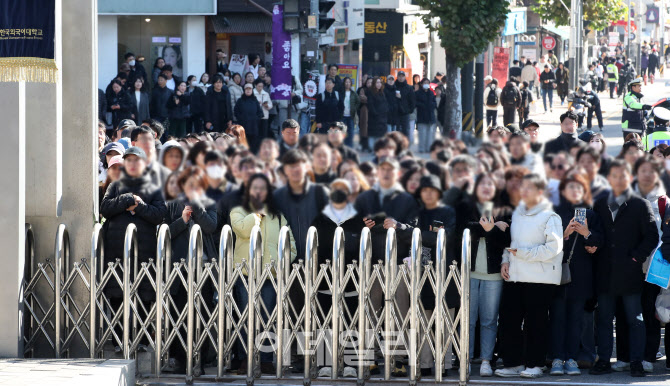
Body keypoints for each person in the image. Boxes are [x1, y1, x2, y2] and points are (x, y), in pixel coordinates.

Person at [589, 159, 659, 378]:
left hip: (629, 273)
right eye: (614, 176)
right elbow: (598, 232)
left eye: (622, 176)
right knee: (604, 320)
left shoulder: (640, 204)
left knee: (635, 319)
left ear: (630, 178)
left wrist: (636, 259)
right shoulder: (600, 203)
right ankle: (603, 361)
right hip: (605, 272)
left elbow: (651, 236)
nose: (618, 180)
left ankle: (636, 361)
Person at [495, 174, 564, 379]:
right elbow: (512, 242)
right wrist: (505, 260)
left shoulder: (551, 216)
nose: (524, 192)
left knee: (536, 322)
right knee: (510, 320)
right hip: (515, 275)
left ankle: (536, 364)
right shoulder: (517, 213)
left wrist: (523, 254)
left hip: (540, 279)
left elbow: (554, 248)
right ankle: (513, 363)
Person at [230, 173, 296, 374]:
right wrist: (256, 215)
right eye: (255, 188)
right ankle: (245, 359)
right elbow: (241, 230)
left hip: (271, 274)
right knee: (245, 317)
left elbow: (290, 244)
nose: (259, 192)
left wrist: (282, 262)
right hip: (245, 273)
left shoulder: (278, 216)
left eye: (263, 188)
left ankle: (266, 359)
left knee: (268, 318)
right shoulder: (238, 210)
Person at [613, 155, 670, 373]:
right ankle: (626, 356)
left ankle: (648, 355)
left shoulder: (664, 201)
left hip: (655, 268)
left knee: (651, 310)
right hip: (631, 266)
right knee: (626, 311)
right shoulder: (627, 198)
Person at [100, 146, 167, 323]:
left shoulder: (153, 186)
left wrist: (140, 206)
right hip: (117, 252)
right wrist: (126, 199)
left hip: (144, 253)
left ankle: (142, 340)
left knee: (144, 297)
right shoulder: (116, 185)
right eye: (128, 160)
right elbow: (105, 209)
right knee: (117, 296)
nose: (132, 163)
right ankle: (118, 341)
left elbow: (160, 214)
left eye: (136, 160)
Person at [455, 172, 512, 377]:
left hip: (493, 274)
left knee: (489, 319)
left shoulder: (503, 209)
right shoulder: (464, 206)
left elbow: (506, 238)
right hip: (468, 272)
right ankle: (466, 359)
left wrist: (493, 229)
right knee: (468, 319)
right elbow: (461, 231)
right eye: (482, 184)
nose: (486, 187)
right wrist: (488, 227)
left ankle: (486, 360)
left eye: (490, 184)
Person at [549, 174, 603, 376]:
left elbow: (599, 242)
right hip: (558, 274)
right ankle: (556, 357)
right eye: (570, 187)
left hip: (581, 276)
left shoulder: (591, 214)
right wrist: (564, 235)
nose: (574, 191)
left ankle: (571, 358)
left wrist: (587, 234)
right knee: (557, 317)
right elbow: (546, 242)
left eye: (579, 188)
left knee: (576, 319)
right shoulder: (554, 213)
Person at [415, 78, 438, 153]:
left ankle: (429, 148)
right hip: (422, 116)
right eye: (425, 83)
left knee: (430, 134)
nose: (426, 84)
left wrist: (432, 105)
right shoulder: (418, 93)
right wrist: (423, 105)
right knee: (422, 134)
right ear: (421, 84)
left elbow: (434, 103)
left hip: (430, 116)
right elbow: (416, 103)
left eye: (428, 83)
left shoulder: (431, 93)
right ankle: (421, 148)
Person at [367, 77, 389, 145]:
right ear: (374, 84)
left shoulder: (382, 92)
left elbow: (385, 103)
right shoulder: (371, 93)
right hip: (375, 118)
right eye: (377, 82)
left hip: (382, 118)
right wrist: (376, 114)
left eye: (380, 82)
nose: (379, 84)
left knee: (381, 136)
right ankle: (374, 149)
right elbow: (371, 106)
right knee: (374, 135)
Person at [395, 71, 416, 140]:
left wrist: (409, 110)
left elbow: (412, 101)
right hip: (396, 112)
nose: (401, 78)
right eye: (399, 76)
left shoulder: (409, 88)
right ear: (397, 77)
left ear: (405, 77)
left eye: (402, 76)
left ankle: (405, 146)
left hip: (405, 113)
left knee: (406, 131)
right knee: (396, 131)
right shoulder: (394, 86)